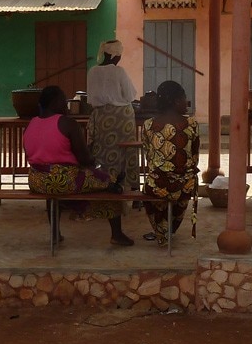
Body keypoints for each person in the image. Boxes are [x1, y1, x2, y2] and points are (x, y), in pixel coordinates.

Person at [25, 85, 133, 246]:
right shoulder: (67, 123)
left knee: (53, 193)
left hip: (37, 180)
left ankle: (55, 234)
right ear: (55, 102)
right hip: (63, 180)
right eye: (63, 101)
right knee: (110, 182)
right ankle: (117, 234)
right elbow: (84, 159)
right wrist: (95, 164)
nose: (66, 105)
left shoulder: (31, 123)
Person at [140, 80, 200, 248]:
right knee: (187, 185)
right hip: (184, 185)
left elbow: (149, 155)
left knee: (149, 190)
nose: (186, 103)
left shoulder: (148, 125)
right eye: (184, 99)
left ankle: (161, 232)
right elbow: (194, 156)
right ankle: (170, 230)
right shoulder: (192, 124)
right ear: (175, 101)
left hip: (157, 185)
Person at [86, 39, 139, 193]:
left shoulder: (93, 71)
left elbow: (91, 98)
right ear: (116, 55)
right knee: (126, 151)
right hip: (123, 117)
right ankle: (131, 188)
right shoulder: (119, 71)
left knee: (102, 149)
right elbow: (129, 95)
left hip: (101, 117)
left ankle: (103, 183)